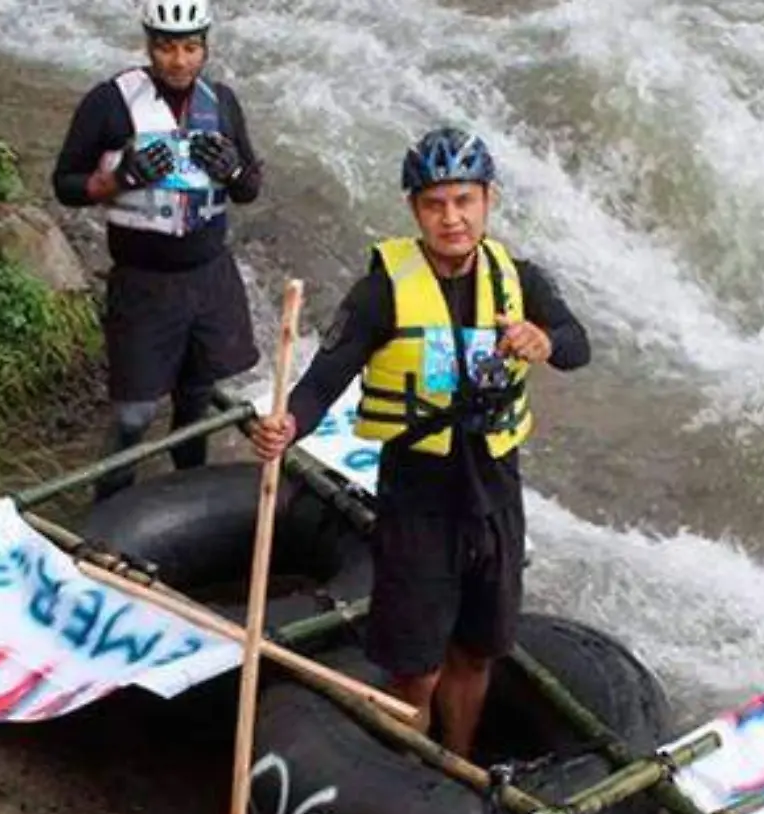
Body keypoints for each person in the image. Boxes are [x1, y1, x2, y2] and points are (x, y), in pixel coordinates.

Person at [250, 127, 591, 759]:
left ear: (487, 200)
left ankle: (456, 759)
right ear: (415, 210)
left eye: (463, 201)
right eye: (435, 204)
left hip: (494, 490)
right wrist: (289, 423)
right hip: (418, 492)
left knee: (477, 647)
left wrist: (544, 341)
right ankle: (412, 760)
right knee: (418, 662)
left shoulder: (519, 280)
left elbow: (578, 344)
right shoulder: (383, 288)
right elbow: (327, 376)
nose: (451, 218)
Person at [51, 0, 265, 500]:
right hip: (143, 283)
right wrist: (115, 180)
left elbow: (249, 188)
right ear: (150, 46)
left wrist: (233, 170)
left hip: (209, 279)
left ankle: (188, 498)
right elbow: (64, 183)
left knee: (194, 403)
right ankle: (108, 507)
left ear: (205, 46)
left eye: (191, 48)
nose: (179, 61)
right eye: (167, 48)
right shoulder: (109, 103)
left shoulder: (224, 103)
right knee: (134, 415)